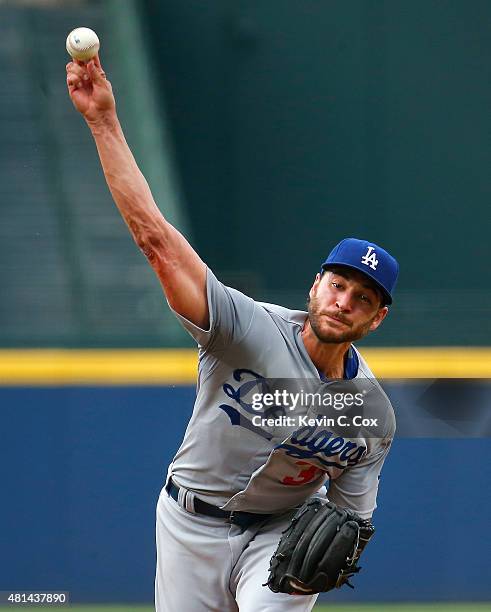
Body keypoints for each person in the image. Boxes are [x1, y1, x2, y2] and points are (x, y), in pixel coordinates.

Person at [66, 55, 399, 612]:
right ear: (315, 285)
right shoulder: (246, 327)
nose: (345, 302)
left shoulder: (372, 416)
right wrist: (103, 121)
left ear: (377, 318)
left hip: (278, 534)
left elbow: (350, 521)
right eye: (338, 285)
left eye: (363, 298)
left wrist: (335, 552)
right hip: (187, 525)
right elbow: (157, 241)